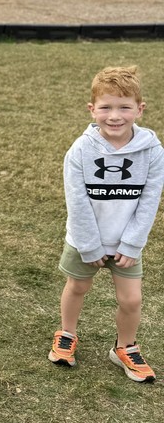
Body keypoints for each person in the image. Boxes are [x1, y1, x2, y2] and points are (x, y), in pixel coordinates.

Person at [50, 66, 164, 382]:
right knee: (78, 286)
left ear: (140, 109)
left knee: (132, 299)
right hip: (84, 240)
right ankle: (67, 335)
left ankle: (124, 348)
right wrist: (89, 245)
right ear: (92, 109)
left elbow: (149, 201)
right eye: (106, 107)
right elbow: (77, 202)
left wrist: (130, 244)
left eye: (124, 107)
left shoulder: (153, 152)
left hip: (126, 243)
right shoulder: (80, 151)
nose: (115, 116)